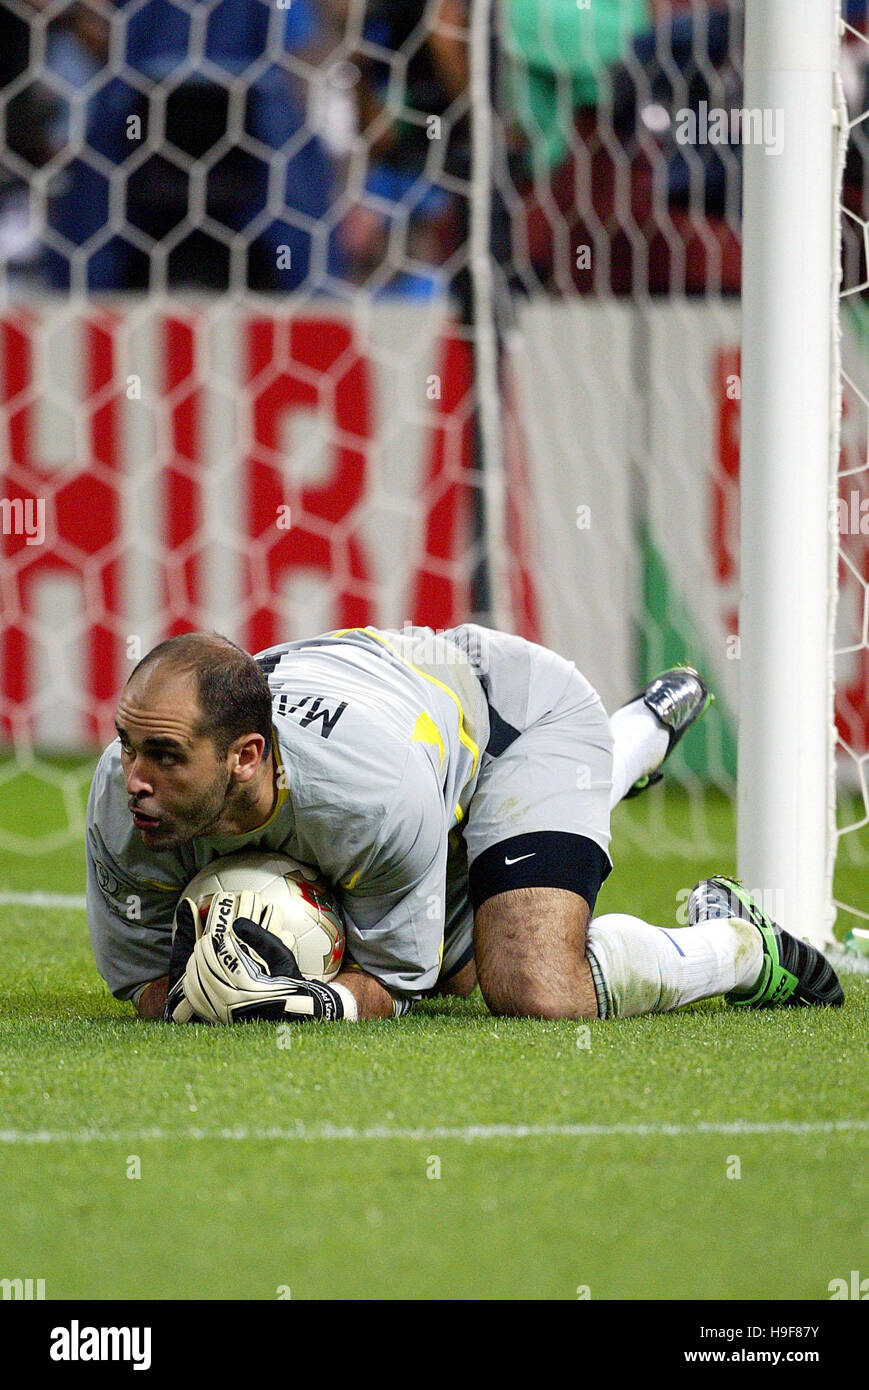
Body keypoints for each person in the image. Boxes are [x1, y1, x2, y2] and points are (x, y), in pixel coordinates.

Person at [85, 625, 844, 1025]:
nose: (134, 779)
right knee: (461, 947)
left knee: (521, 982)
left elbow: (390, 980)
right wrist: (189, 999)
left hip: (513, 721)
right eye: (125, 744)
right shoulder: (123, 798)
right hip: (417, 719)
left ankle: (736, 943)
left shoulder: (366, 797)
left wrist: (315, 1003)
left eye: (164, 756)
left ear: (246, 756)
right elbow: (145, 978)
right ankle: (632, 740)